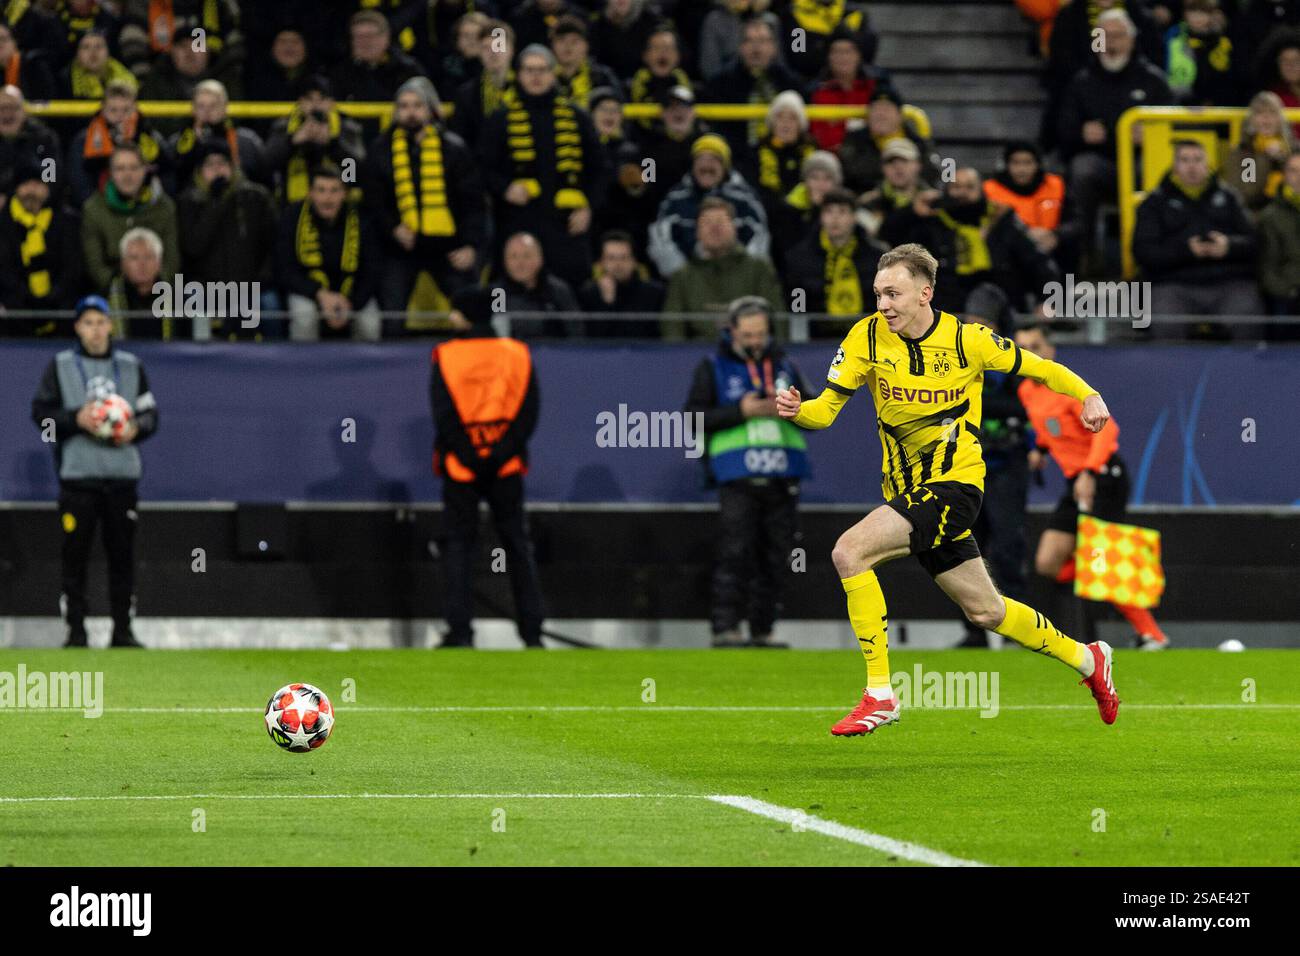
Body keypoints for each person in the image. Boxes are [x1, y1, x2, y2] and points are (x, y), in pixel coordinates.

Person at [775, 243, 1120, 736]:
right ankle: (1089, 661)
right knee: (986, 610)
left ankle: (879, 694)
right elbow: (825, 411)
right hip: (908, 490)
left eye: (893, 293)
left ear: (925, 293)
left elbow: (1039, 368)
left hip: (955, 484)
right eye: (878, 294)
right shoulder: (865, 338)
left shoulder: (968, 341)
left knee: (849, 552)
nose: (884, 304)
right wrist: (798, 410)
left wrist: (1089, 393)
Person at [1015, 323, 1170, 651]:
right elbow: (1051, 429)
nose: (1030, 353)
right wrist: (1040, 450)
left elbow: (1108, 430)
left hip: (1104, 477)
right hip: (1076, 482)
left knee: (1102, 559)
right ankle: (1093, 582)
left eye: (1036, 346)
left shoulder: (1067, 388)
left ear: (1051, 351)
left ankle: (1152, 635)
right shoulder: (1026, 391)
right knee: (1048, 560)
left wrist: (1089, 472)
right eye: (1023, 348)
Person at [30, 295, 159, 648]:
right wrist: (74, 419)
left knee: (123, 556)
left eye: (101, 322)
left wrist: (137, 428)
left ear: (111, 326)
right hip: (78, 477)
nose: (96, 330)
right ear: (77, 328)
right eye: (88, 323)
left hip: (122, 477)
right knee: (75, 555)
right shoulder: (60, 365)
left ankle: (123, 630)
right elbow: (41, 418)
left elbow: (151, 414)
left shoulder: (131, 365)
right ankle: (76, 631)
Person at [685, 295, 810, 647]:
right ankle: (725, 628)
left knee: (775, 555)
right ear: (732, 332)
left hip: (783, 474)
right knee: (734, 552)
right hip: (735, 475)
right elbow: (692, 418)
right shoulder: (712, 366)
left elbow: (817, 414)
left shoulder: (785, 365)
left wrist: (794, 408)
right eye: (748, 336)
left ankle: (762, 630)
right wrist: (741, 411)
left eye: (761, 334)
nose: (756, 342)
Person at [430, 286, 544, 649]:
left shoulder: (446, 356)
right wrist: (498, 453)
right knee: (517, 546)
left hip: (461, 470)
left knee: (460, 547)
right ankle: (532, 632)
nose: (450, 318)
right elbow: (528, 412)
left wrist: (470, 456)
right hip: (506, 466)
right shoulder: (517, 354)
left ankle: (460, 632)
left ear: (465, 315)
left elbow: (444, 415)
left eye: (455, 311)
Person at [479, 43, 607, 291]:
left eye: (542, 70)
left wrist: (588, 207)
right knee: (507, 293)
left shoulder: (577, 117)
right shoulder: (500, 119)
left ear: (553, 73)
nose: (536, 76)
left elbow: (600, 168)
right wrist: (505, 188)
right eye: (529, 70)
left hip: (566, 224)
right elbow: (482, 167)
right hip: (517, 222)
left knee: (574, 290)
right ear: (519, 75)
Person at [366, 76, 485, 333]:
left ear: (430, 110)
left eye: (417, 106)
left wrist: (470, 245)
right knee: (392, 314)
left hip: (448, 245)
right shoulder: (380, 150)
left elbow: (473, 202)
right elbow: (374, 202)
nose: (410, 113)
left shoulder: (454, 149)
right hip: (399, 247)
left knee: (473, 307)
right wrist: (393, 228)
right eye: (404, 106)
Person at [1132, 139, 1264, 332]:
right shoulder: (1154, 203)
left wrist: (1229, 246)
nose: (1192, 166)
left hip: (1230, 283)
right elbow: (1143, 251)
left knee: (1247, 319)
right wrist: (1186, 250)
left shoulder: (1230, 198)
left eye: (1197, 159)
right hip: (1172, 284)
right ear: (1175, 165)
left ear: (1207, 164)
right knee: (1166, 324)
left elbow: (1255, 242)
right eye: (1185, 160)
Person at [276, 164, 381, 341]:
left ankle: (364, 368)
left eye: (334, 190)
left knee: (369, 323)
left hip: (352, 293)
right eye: (321, 190)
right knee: (304, 317)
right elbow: (284, 270)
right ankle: (305, 368)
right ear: (310, 193)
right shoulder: (291, 217)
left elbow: (372, 269)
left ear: (345, 194)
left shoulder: (361, 219)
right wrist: (320, 294)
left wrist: (351, 302)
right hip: (308, 291)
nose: (327, 198)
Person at [661, 196, 783, 336]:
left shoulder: (759, 269)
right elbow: (672, 327)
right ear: (697, 232)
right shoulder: (682, 276)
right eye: (707, 223)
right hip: (696, 354)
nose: (714, 228)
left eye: (720, 221)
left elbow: (777, 321)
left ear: (734, 228)